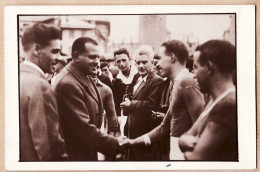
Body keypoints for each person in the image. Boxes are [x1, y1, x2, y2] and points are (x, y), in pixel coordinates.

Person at [122, 40, 205, 160]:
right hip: (176, 151)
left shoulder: (187, 82)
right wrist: (133, 142)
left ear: (172, 57)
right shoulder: (177, 83)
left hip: (185, 154)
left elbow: (201, 128)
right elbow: (164, 127)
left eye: (160, 58)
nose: (156, 64)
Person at [53, 37, 125, 161]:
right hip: (74, 156)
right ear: (76, 57)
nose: (97, 62)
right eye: (92, 57)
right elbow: (83, 129)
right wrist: (116, 144)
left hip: (84, 151)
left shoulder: (83, 75)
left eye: (98, 57)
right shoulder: (68, 84)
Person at [178, 40, 237, 160]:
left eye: (196, 67)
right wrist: (185, 141)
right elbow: (187, 136)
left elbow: (196, 160)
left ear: (209, 68)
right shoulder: (216, 100)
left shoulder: (227, 105)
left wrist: (186, 145)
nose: (194, 75)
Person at [19, 22, 68, 161]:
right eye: (55, 51)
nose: (60, 57)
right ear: (36, 50)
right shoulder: (40, 85)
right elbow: (48, 146)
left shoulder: (17, 77)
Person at [120, 45, 163, 160]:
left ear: (152, 62)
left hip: (144, 134)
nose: (141, 66)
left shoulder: (156, 80)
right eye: (138, 63)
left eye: (144, 62)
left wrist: (131, 104)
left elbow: (151, 105)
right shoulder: (137, 78)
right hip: (131, 133)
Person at [112, 48, 138, 117]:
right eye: (118, 61)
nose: (121, 64)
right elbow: (116, 103)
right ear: (115, 63)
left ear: (129, 59)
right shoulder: (116, 81)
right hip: (124, 116)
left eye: (124, 60)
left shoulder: (138, 75)